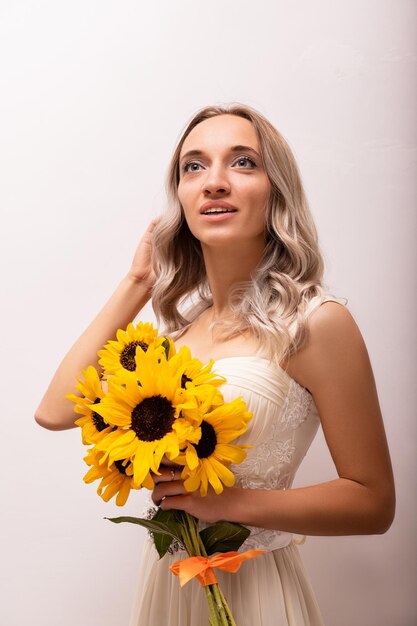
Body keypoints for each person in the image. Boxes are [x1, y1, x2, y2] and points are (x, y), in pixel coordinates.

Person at [35, 104, 395, 626]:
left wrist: (230, 502)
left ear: (277, 190)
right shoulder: (178, 334)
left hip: (254, 590)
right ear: (180, 197)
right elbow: (54, 411)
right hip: (171, 585)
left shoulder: (316, 322)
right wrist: (137, 283)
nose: (214, 182)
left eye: (243, 162)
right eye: (194, 166)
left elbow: (373, 504)